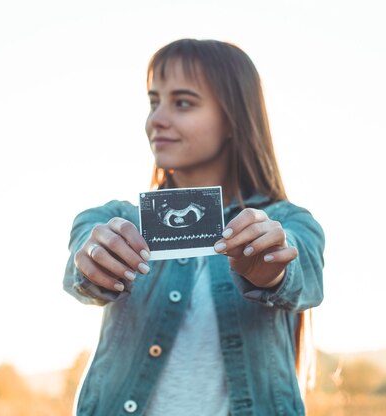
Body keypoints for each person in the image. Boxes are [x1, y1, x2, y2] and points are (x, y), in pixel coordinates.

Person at [63, 38, 325, 416]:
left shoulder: (289, 222)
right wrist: (92, 261)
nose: (157, 119)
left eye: (183, 102)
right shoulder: (113, 220)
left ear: (234, 118)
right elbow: (80, 265)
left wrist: (272, 268)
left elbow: (307, 273)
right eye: (154, 102)